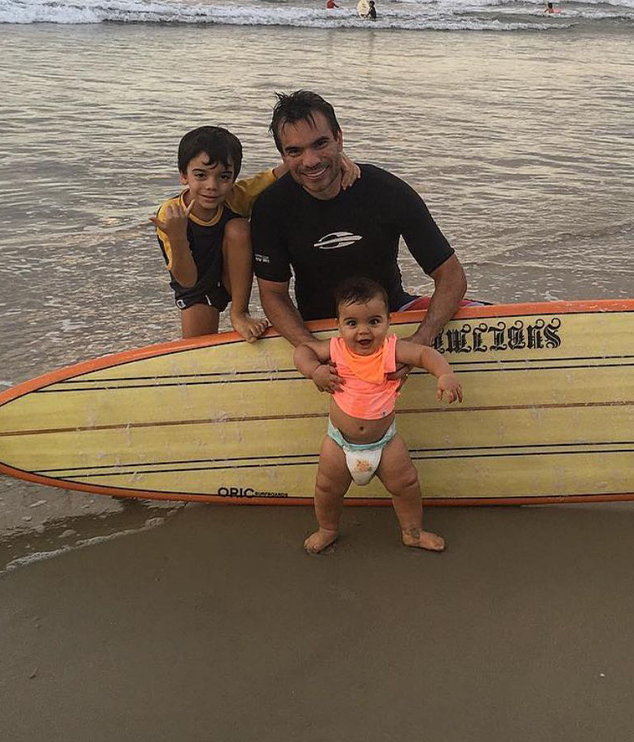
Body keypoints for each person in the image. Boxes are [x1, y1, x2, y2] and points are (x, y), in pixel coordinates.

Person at [251, 90, 468, 366]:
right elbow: (273, 294)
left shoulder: (385, 191)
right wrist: (312, 348)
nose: (310, 161)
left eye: (320, 144)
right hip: (319, 327)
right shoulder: (271, 208)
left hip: (392, 314)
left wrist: (420, 341)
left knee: (490, 315)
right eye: (295, 151)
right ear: (282, 155)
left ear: (339, 138)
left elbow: (451, 276)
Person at [293, 277, 463, 553]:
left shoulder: (392, 350)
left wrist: (444, 374)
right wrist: (315, 371)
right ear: (338, 325)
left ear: (388, 321)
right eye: (352, 323)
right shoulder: (334, 350)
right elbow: (303, 350)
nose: (364, 331)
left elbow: (424, 354)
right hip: (339, 443)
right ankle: (327, 529)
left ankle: (413, 532)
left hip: (385, 442)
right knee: (327, 489)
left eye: (374, 321)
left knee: (406, 485)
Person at [151, 125, 359, 342]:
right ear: (184, 175)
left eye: (224, 176)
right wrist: (177, 237)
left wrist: (339, 157)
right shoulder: (171, 214)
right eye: (201, 175)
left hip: (232, 277)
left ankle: (240, 313)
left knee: (238, 226)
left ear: (234, 178)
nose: (212, 186)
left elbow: (283, 171)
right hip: (196, 284)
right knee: (195, 349)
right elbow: (187, 280)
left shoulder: (235, 197)